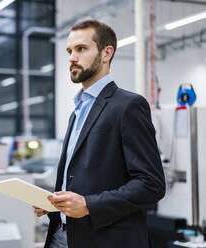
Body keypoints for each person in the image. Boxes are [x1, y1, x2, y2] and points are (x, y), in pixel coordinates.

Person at [33, 19, 166, 248]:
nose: (72, 57)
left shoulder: (128, 106)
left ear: (106, 53)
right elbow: (82, 178)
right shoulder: (77, 111)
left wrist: (88, 205)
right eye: (69, 51)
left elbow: (151, 184)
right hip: (62, 237)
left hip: (105, 240)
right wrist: (57, 204)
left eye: (81, 49)